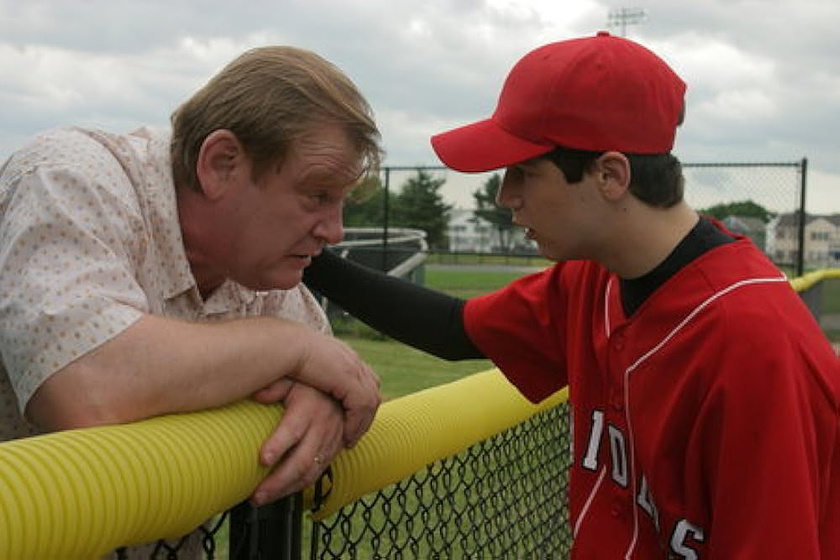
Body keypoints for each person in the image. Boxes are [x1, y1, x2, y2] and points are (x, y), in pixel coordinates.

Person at [303, 32, 840, 558]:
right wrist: (305, 255)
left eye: (525, 172)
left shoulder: (755, 346)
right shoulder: (595, 276)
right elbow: (454, 329)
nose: (504, 196)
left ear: (610, 174)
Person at [0, 46, 382, 556]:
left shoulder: (255, 265)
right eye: (316, 195)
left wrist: (319, 392)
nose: (334, 231)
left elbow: (336, 377)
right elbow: (83, 386)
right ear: (221, 164)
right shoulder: (69, 177)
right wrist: (288, 348)